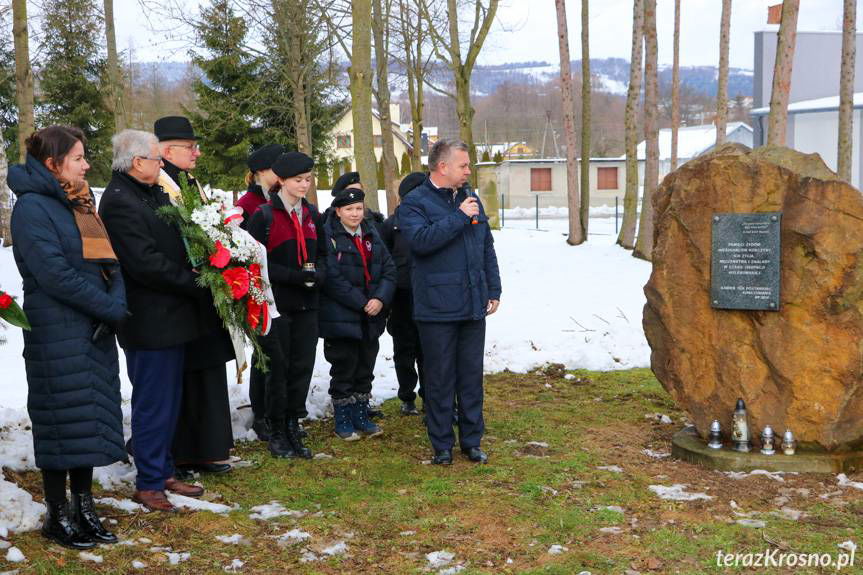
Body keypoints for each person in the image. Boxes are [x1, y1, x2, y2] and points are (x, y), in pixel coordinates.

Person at [8, 126, 128, 547]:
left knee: (88, 420)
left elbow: (109, 262)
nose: (86, 164)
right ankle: (57, 515)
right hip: (57, 328)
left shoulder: (80, 202)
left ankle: (84, 507)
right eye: (78, 158)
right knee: (61, 420)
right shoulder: (32, 209)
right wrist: (108, 308)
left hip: (93, 327)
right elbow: (53, 275)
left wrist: (115, 298)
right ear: (52, 165)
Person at [100, 129, 208, 511]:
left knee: (169, 400)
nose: (161, 164)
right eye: (155, 158)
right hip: (149, 319)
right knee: (152, 402)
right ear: (135, 162)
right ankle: (149, 482)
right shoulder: (118, 202)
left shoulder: (150, 191)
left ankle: (163, 469)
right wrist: (196, 283)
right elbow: (145, 263)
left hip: (171, 316)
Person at [398, 139, 502, 465]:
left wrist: (493, 288)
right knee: (440, 378)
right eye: (464, 165)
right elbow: (421, 242)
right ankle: (441, 444)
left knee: (471, 377)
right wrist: (458, 217)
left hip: (473, 304)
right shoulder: (414, 203)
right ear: (443, 167)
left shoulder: (471, 199)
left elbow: (486, 245)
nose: (469, 171)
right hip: (437, 307)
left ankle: (471, 441)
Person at [153, 116, 235, 477]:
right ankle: (185, 450)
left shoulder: (187, 180)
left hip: (204, 288)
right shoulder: (161, 183)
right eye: (190, 147)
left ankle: (208, 447)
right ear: (167, 150)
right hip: (185, 290)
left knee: (207, 369)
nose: (197, 153)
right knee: (188, 374)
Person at [247, 152, 325, 458]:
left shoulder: (313, 215)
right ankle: (276, 428)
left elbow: (323, 256)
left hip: (308, 304)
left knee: (302, 366)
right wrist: (294, 277)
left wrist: (320, 274)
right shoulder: (264, 216)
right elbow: (255, 264)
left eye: (308, 179)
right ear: (281, 180)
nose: (304, 185)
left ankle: (294, 423)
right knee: (277, 369)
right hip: (276, 306)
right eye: (298, 180)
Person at [319, 184, 396, 440]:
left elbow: (389, 270)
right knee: (344, 367)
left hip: (371, 316)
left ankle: (361, 414)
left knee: (365, 366)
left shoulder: (372, 234)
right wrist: (361, 301)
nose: (355, 214)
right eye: (349, 209)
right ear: (338, 211)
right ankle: (343, 417)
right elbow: (332, 277)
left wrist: (380, 298)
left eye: (359, 208)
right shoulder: (328, 236)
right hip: (342, 316)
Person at [237, 143, 285, 441]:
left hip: (282, 289)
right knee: (265, 355)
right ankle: (261, 411)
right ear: (262, 172)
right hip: (259, 293)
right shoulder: (248, 204)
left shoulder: (279, 199)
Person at [381, 172, 427, 415]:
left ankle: (429, 396)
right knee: (404, 350)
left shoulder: (431, 222)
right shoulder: (391, 225)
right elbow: (383, 261)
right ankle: (406, 395)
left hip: (426, 296)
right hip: (400, 297)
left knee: (427, 350)